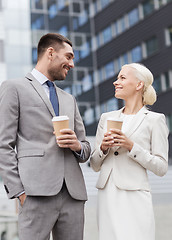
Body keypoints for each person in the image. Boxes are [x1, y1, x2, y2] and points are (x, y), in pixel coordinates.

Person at [0, 33, 91, 240]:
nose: (72, 64)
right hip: (34, 194)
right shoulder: (14, 88)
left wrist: (77, 145)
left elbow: (85, 149)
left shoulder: (70, 99)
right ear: (50, 52)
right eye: (68, 57)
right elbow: (3, 145)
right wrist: (19, 192)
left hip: (73, 195)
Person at [90, 63, 169, 240]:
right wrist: (103, 148)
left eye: (122, 78)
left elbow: (161, 167)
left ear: (139, 84)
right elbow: (94, 165)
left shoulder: (155, 120)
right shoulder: (106, 118)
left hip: (135, 195)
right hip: (107, 194)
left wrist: (131, 146)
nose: (116, 82)